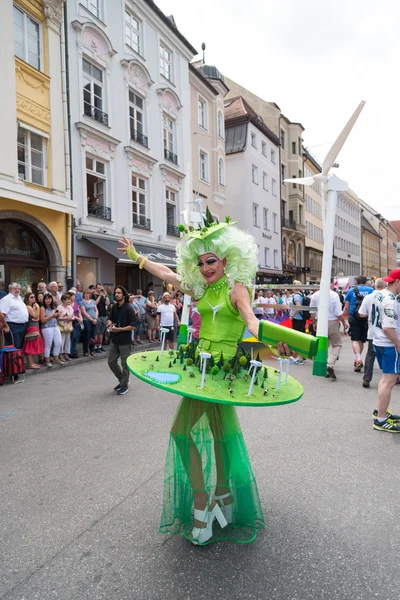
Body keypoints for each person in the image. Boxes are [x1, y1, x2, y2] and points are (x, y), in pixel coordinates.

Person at [117, 221, 294, 547]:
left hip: (222, 370)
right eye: (199, 262)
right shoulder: (200, 288)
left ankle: (207, 504)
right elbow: (168, 275)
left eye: (210, 261)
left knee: (201, 434)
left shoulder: (236, 288)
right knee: (212, 434)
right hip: (199, 366)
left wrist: (277, 339)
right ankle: (217, 498)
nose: (204, 267)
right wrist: (137, 257)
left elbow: (252, 321)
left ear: (226, 259)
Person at [368, 269, 400, 433]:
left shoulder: (377, 294)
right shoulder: (390, 300)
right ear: (398, 282)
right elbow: (388, 328)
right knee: (389, 380)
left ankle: (381, 410)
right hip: (388, 343)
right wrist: (398, 343)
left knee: (385, 379)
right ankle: (381, 419)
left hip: (378, 341)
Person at [310, 287, 349, 380]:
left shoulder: (315, 295)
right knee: (337, 344)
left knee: (323, 345)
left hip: (320, 322)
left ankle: (322, 365)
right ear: (331, 285)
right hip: (332, 322)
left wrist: (314, 323)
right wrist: (344, 322)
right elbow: (338, 312)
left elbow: (312, 311)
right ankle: (330, 364)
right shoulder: (334, 295)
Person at [107, 286, 137, 396]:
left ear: (123, 295)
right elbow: (110, 318)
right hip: (115, 338)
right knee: (111, 361)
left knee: (125, 364)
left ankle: (124, 386)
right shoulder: (115, 307)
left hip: (125, 340)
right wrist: (110, 324)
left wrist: (120, 329)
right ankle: (122, 380)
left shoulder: (129, 308)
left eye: (119, 293)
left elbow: (133, 326)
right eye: (115, 293)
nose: (116, 294)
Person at [358, 278, 387, 389]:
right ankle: (389, 377)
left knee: (370, 355)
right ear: (384, 286)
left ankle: (366, 378)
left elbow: (361, 314)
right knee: (387, 355)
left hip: (372, 331)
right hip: (386, 331)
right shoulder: (387, 297)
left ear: (374, 286)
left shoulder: (368, 297)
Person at [344, 276, 374, 372]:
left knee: (355, 339)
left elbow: (346, 307)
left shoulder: (351, 290)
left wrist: (347, 317)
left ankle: (358, 359)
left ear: (356, 282)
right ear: (366, 282)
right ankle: (357, 359)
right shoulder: (371, 290)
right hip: (365, 317)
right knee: (361, 339)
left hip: (353, 316)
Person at [0, 283, 29, 349]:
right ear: (10, 289)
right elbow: (2, 314)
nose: (17, 290)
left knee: (20, 347)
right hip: (13, 326)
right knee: (14, 346)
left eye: (18, 289)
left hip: (22, 325)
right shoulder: (6, 299)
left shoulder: (19, 298)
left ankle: (18, 359)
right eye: (15, 289)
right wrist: (5, 326)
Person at [40, 293, 64, 366]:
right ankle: (47, 360)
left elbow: (56, 317)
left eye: (49, 299)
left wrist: (57, 315)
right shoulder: (43, 308)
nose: (48, 300)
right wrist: (52, 315)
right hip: (47, 327)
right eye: (46, 299)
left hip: (55, 326)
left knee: (58, 342)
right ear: (44, 300)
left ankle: (56, 357)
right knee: (48, 344)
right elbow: (42, 320)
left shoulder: (53, 307)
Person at [22, 292, 44, 369]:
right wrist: (37, 307)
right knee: (30, 347)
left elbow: (37, 318)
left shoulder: (31, 306)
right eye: (31, 297)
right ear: (27, 298)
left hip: (34, 327)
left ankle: (31, 363)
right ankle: (31, 364)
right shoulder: (28, 306)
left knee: (33, 346)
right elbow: (36, 316)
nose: (33, 298)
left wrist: (35, 313)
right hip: (31, 328)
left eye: (34, 297)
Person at [92, 283, 110, 353]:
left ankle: (100, 345)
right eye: (98, 288)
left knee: (102, 332)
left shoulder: (103, 295)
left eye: (101, 287)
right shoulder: (94, 295)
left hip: (103, 314)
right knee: (97, 331)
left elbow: (108, 303)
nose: (100, 289)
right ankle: (95, 346)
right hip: (97, 315)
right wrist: (99, 296)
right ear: (96, 288)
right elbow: (95, 304)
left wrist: (105, 294)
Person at [80, 289, 98, 356]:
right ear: (84, 294)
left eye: (88, 294)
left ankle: (92, 350)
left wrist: (95, 318)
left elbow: (96, 310)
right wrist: (91, 319)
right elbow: (84, 312)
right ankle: (85, 351)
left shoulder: (93, 301)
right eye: (86, 293)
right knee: (87, 335)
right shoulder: (82, 302)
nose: (87, 295)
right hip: (87, 320)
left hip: (94, 319)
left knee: (93, 336)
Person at [57, 293, 74, 362]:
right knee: (61, 341)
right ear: (63, 300)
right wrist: (64, 318)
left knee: (67, 341)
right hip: (61, 325)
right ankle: (60, 355)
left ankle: (66, 354)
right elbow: (57, 317)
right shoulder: (59, 307)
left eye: (69, 299)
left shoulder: (70, 307)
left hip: (68, 325)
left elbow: (73, 316)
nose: (69, 301)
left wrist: (71, 318)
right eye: (67, 300)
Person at [69, 291, 83, 358]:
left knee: (77, 337)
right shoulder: (68, 305)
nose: (74, 297)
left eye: (75, 296)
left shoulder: (76, 304)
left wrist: (81, 318)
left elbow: (79, 312)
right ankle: (70, 352)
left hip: (77, 322)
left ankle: (74, 350)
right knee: (73, 337)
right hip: (72, 322)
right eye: (73, 296)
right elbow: (71, 315)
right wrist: (78, 318)